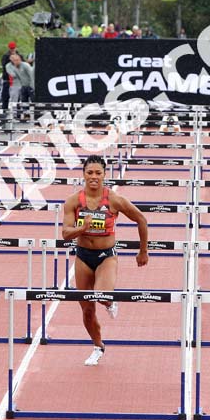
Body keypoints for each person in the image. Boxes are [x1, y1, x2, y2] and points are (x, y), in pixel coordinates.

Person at [62, 155, 149, 366]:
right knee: (87, 310)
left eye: (98, 173)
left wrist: (143, 250)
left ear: (104, 175)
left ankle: (110, 301)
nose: (93, 177)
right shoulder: (73, 201)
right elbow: (65, 234)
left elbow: (141, 219)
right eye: (89, 172)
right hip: (83, 257)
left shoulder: (114, 200)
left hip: (106, 256)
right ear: (83, 174)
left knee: (101, 295)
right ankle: (98, 346)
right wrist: (82, 229)